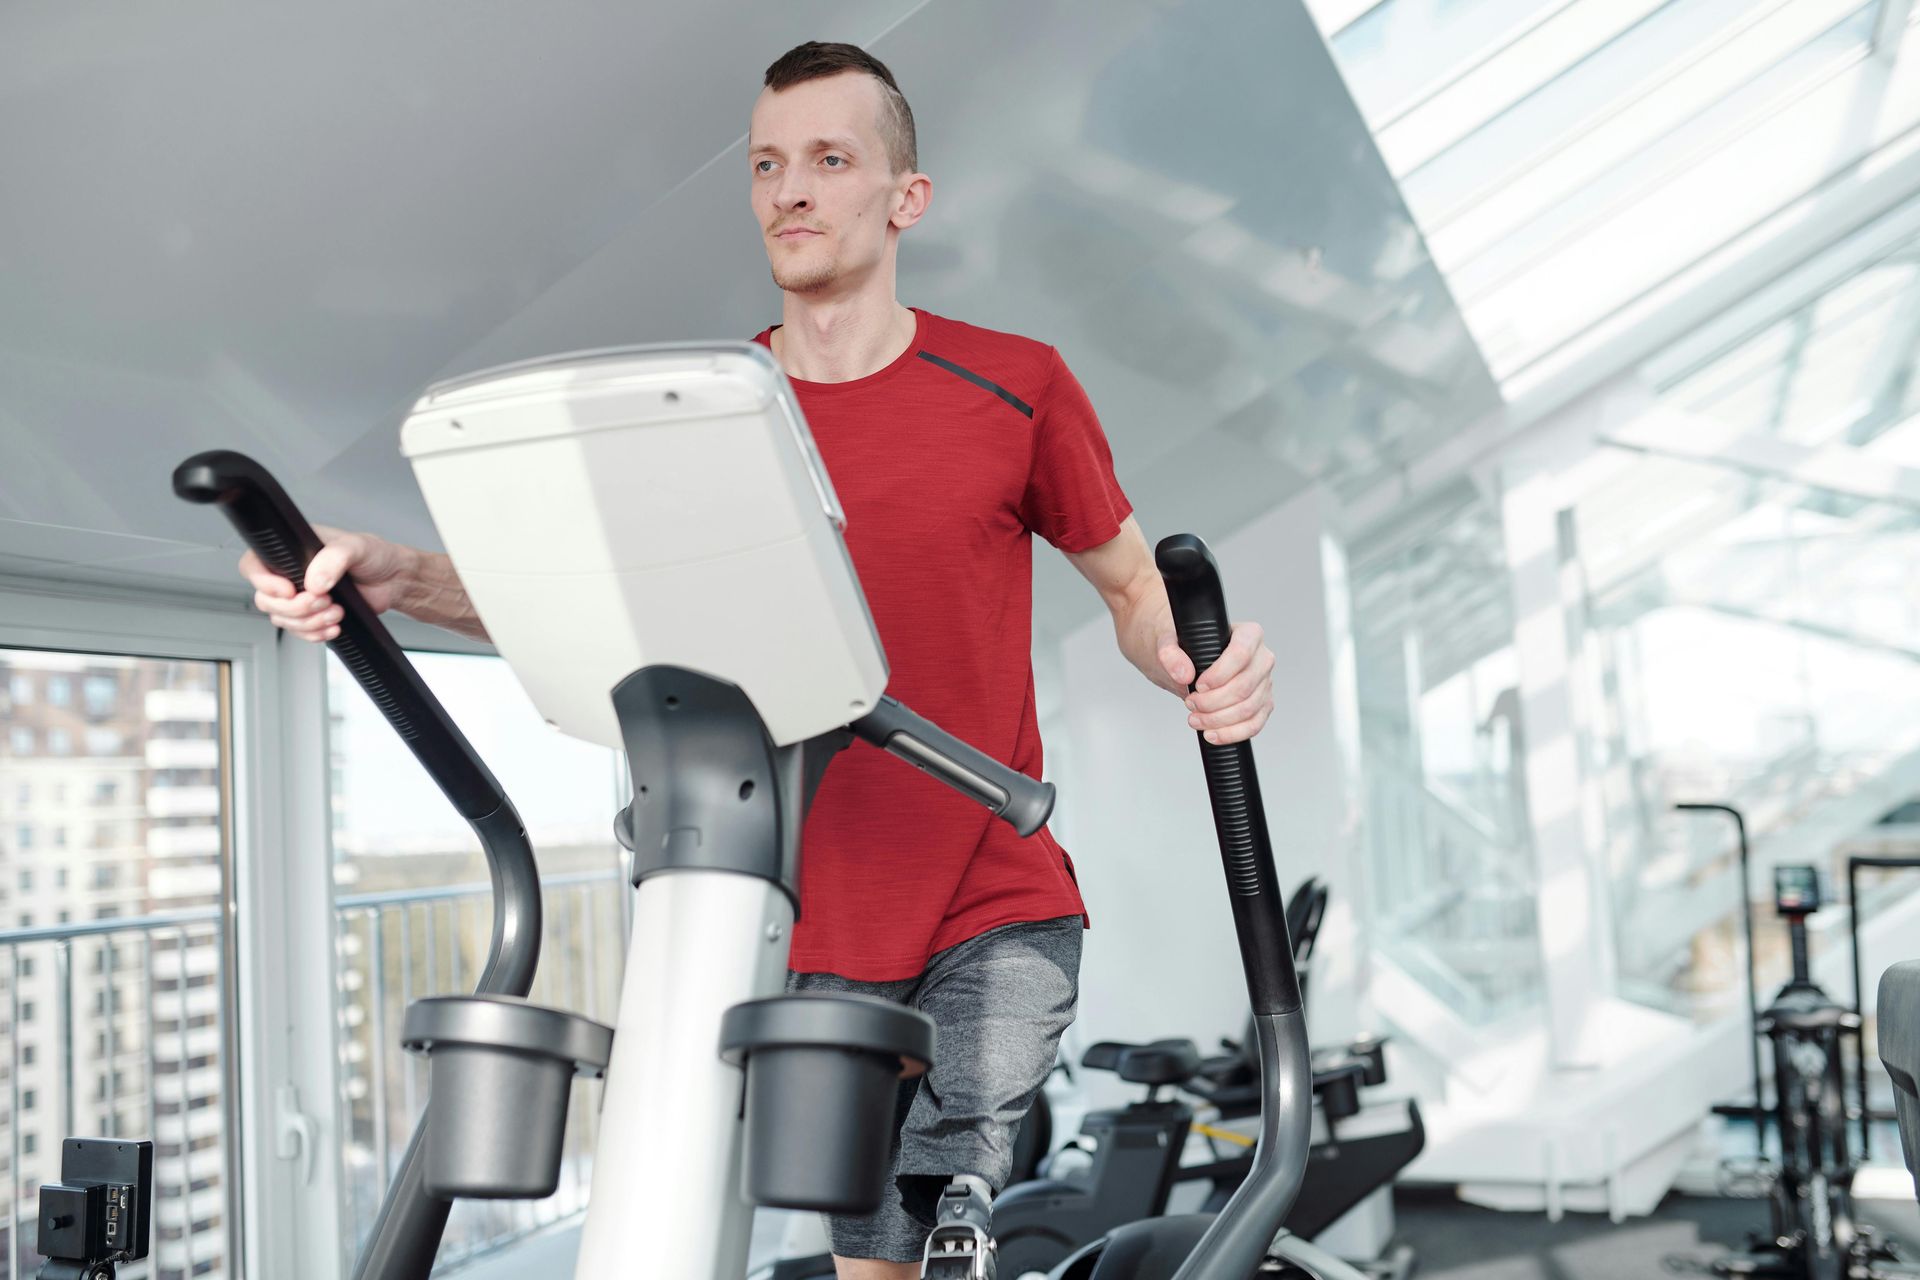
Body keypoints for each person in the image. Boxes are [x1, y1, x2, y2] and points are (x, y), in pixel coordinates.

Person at [241, 42, 1276, 1280]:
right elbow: (577, 599)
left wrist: (1193, 662)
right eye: (769, 164)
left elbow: (1132, 584)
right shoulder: (704, 414)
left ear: (906, 197)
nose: (790, 189)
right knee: (861, 1262)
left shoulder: (1015, 386)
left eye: (830, 159)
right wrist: (400, 575)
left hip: (989, 887)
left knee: (941, 1220)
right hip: (798, 915)